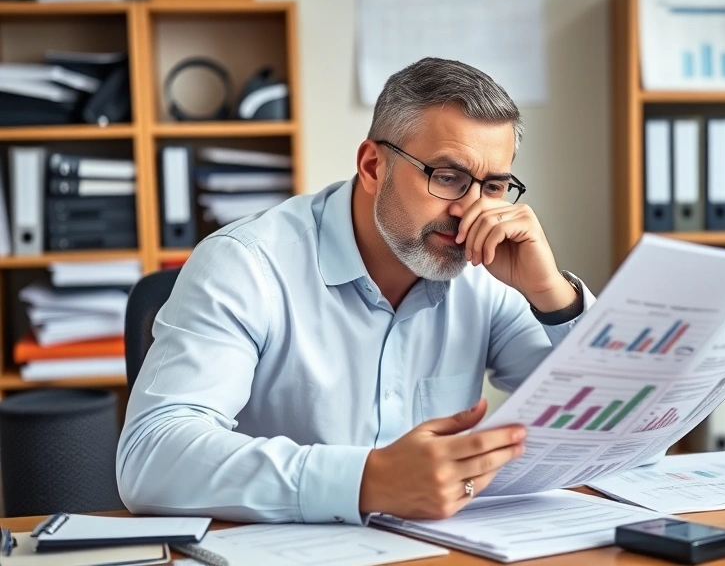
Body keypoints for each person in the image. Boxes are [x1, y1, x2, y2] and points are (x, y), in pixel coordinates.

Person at [116, 57, 597, 524]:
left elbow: (611, 429)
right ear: (372, 166)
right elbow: (152, 455)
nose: (471, 211)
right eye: (448, 178)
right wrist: (367, 481)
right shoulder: (246, 263)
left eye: (493, 187)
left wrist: (553, 296)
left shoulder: (487, 270)